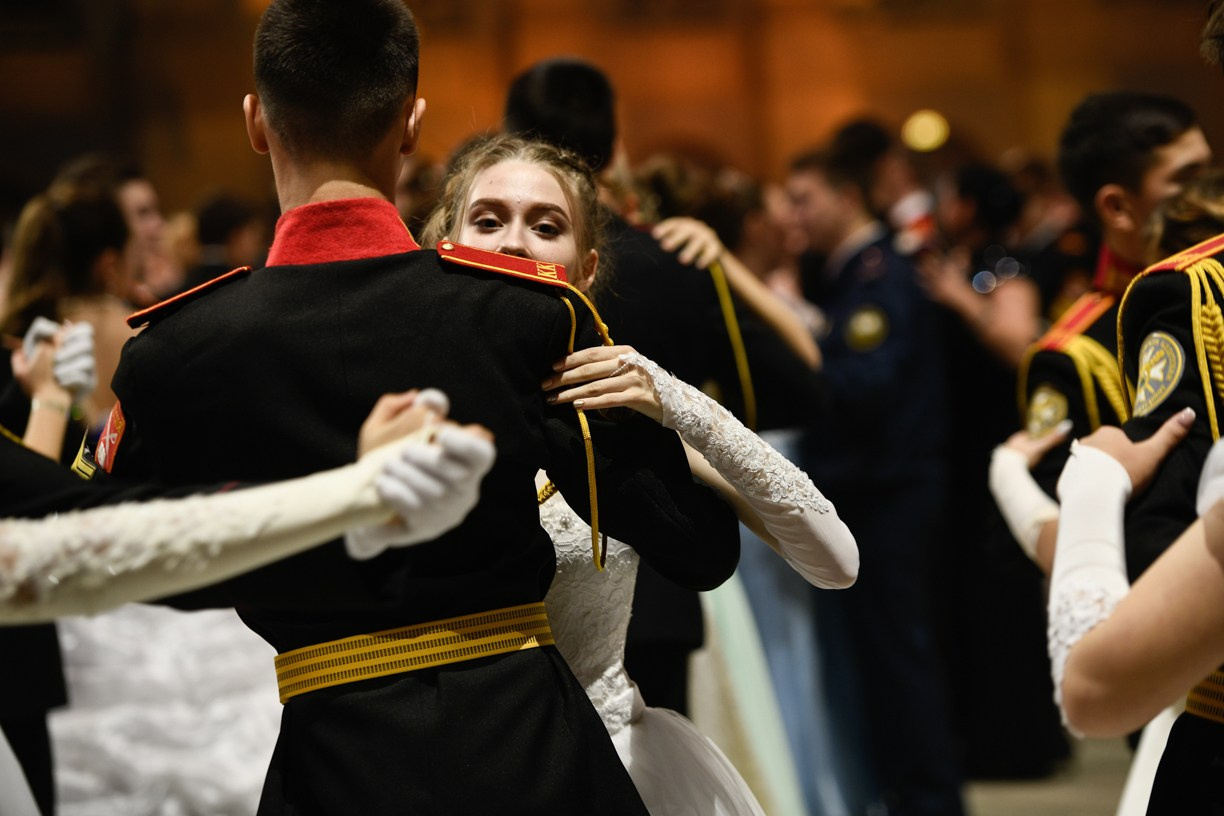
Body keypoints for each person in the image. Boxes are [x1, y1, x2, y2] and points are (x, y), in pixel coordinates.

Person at [102, 3, 740, 814]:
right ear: (410, 124)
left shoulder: (174, 351)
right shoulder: (523, 316)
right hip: (529, 751)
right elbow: (701, 550)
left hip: (333, 763)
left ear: (258, 124)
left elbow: (127, 565)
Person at [422, 131, 858, 815]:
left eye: (545, 226)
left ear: (585, 267)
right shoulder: (399, 403)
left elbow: (835, 560)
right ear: (443, 243)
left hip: (607, 767)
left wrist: (672, 398)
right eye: (487, 220)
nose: (512, 243)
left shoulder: (615, 424)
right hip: (448, 768)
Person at [787, 145, 963, 816]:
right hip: (875, 487)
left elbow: (865, 384)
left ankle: (928, 800)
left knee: (899, 657)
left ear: (846, 198)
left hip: (890, 491)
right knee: (883, 657)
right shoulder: (845, 273)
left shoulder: (878, 273)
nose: (795, 214)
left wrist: (805, 340)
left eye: (805, 198)